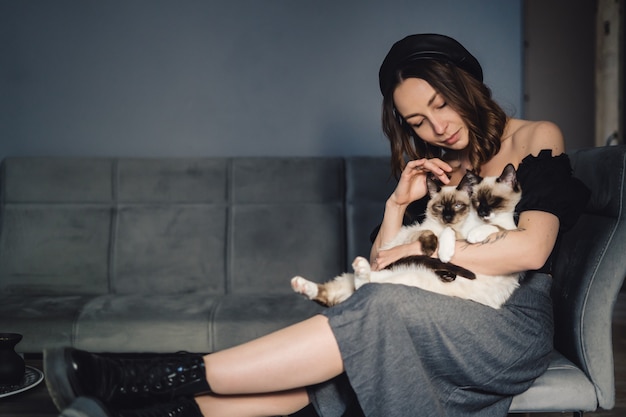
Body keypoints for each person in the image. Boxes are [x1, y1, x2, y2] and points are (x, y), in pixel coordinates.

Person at [45, 33, 590, 417]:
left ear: (467, 82)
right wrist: (397, 208)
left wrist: (419, 255)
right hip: (433, 312)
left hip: (506, 328)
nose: (437, 127)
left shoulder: (535, 136)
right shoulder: (442, 171)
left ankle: (138, 377)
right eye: (417, 121)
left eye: (441, 104)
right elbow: (382, 265)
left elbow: (532, 251)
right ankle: (146, 409)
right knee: (359, 333)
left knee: (374, 309)